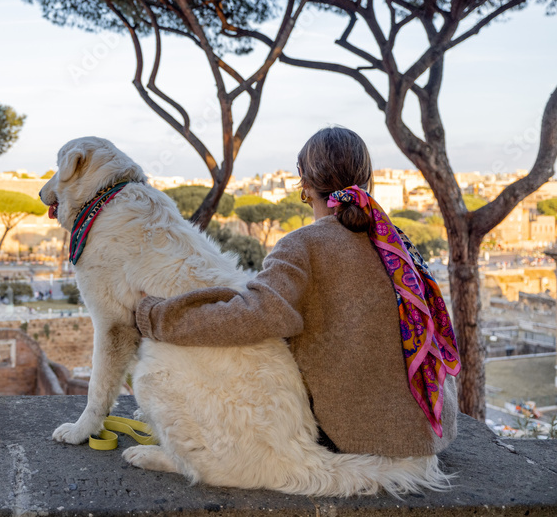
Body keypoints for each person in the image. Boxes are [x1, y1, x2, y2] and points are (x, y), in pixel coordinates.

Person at [135, 126, 461, 458]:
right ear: (367, 178)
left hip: (362, 442)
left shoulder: (302, 245)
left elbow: (252, 316)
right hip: (430, 433)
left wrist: (159, 317)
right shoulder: (397, 243)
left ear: (303, 183)